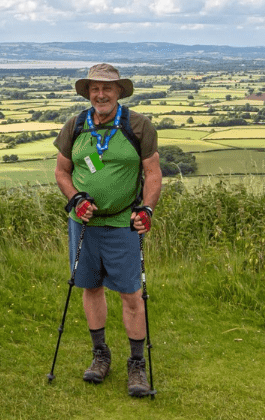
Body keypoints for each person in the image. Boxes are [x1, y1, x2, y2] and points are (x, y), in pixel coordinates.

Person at [53, 63, 162, 398]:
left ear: (119, 92)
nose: (100, 94)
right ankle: (100, 355)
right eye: (94, 89)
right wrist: (75, 199)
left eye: (107, 89)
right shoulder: (75, 125)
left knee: (131, 294)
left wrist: (146, 209)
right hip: (84, 224)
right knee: (90, 287)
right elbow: (61, 171)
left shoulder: (138, 126)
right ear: (88, 93)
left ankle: (136, 363)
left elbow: (153, 174)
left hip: (123, 223)